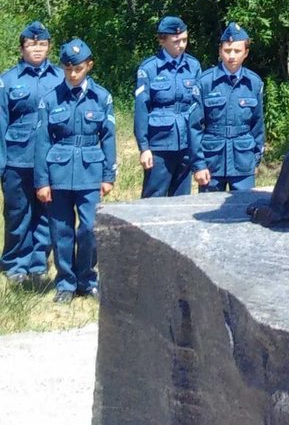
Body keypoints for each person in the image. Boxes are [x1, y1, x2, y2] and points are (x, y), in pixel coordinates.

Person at [32, 38, 115, 302]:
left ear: (89, 65)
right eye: (68, 69)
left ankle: (87, 279)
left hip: (90, 172)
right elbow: (42, 141)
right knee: (61, 231)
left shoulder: (101, 97)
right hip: (58, 174)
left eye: (78, 68)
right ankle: (66, 283)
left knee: (90, 228)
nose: (73, 73)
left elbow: (109, 137)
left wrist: (108, 175)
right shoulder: (51, 99)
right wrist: (42, 181)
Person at [1, 21, 64, 283]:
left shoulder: (61, 77)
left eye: (42, 44)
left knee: (46, 213)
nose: (37, 49)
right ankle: (15, 263)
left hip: (50, 159)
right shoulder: (8, 80)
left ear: (49, 47)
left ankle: (38, 263)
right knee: (17, 212)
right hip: (19, 158)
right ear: (22, 48)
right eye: (31, 44)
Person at [133, 15, 208, 197]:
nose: (181, 45)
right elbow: (142, 109)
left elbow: (198, 109)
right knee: (154, 199)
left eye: (184, 40)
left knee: (182, 201)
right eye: (176, 41)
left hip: (186, 142)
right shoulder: (149, 68)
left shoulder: (193, 65)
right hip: (159, 144)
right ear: (162, 40)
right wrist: (144, 148)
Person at [196, 23, 264, 192]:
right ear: (220, 51)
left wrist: (255, 159)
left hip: (243, 160)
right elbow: (194, 127)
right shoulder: (205, 82)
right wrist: (198, 164)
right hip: (211, 160)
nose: (231, 56)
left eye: (237, 51)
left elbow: (258, 125)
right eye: (227, 51)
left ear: (246, 53)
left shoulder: (254, 83)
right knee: (207, 208)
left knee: (242, 211)